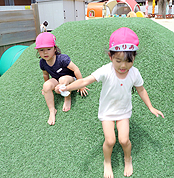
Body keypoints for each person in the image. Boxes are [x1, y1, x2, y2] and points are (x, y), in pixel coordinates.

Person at [60, 27, 164, 178]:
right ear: (110, 56)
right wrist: (67, 88)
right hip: (107, 112)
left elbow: (141, 90)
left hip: (123, 111)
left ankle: (128, 159)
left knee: (124, 140)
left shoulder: (134, 73)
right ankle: (107, 162)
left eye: (129, 61)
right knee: (110, 141)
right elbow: (84, 80)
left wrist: (151, 107)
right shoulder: (106, 71)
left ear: (134, 57)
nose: (123, 66)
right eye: (118, 60)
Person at [35, 32, 88, 125]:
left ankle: (67, 98)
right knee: (46, 85)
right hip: (56, 79)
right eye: (41, 50)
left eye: (48, 49)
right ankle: (52, 111)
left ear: (55, 49)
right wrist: (46, 89)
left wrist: (81, 85)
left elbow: (76, 69)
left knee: (62, 80)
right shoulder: (42, 62)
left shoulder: (62, 59)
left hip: (70, 79)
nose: (45, 52)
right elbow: (45, 75)